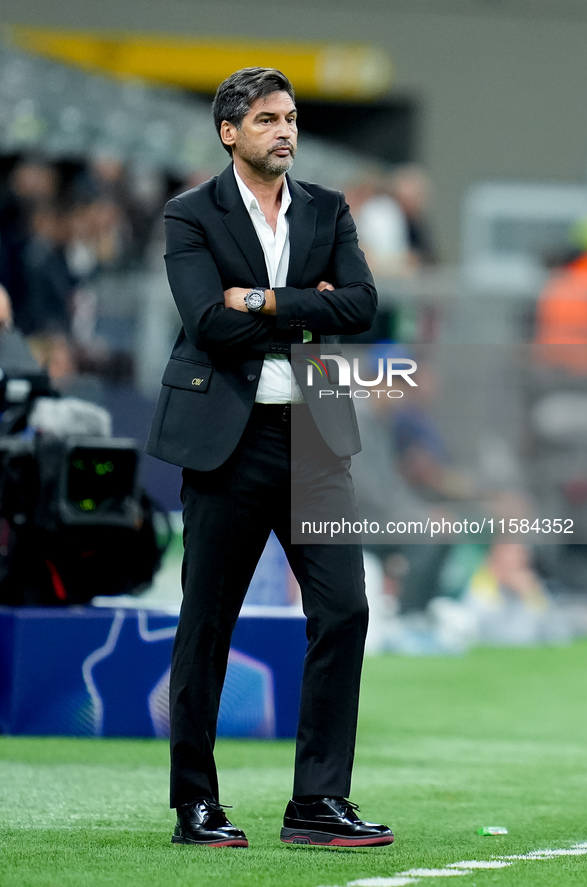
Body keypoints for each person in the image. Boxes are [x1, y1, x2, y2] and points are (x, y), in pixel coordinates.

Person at [146, 68, 393, 849]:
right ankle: (195, 804)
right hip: (227, 445)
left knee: (344, 609)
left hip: (317, 440)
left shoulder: (328, 208)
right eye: (265, 120)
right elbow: (205, 326)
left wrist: (256, 299)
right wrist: (302, 308)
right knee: (206, 624)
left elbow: (359, 305)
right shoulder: (189, 215)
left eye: (290, 118)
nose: (284, 130)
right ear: (229, 132)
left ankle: (316, 803)